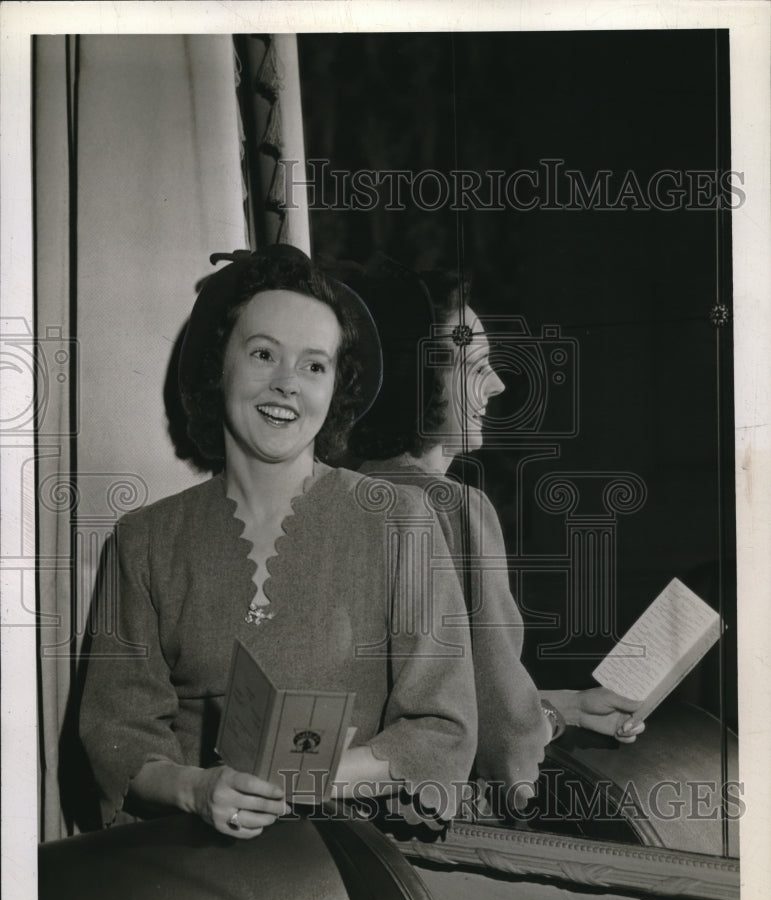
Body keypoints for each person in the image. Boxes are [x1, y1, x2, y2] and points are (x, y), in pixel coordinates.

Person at [79, 245, 480, 838]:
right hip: (184, 863)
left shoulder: (401, 522)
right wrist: (195, 790)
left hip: (345, 863)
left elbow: (441, 728)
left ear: (337, 387)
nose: (287, 384)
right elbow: (120, 738)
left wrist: (300, 782)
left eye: (315, 365)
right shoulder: (144, 540)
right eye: (264, 354)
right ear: (220, 366)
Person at [333, 256, 644, 811]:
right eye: (476, 368)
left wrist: (567, 705)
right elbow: (504, 748)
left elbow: (443, 693)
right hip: (439, 824)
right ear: (417, 380)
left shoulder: (341, 493)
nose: (498, 385)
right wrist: (545, 724)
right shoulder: (454, 508)